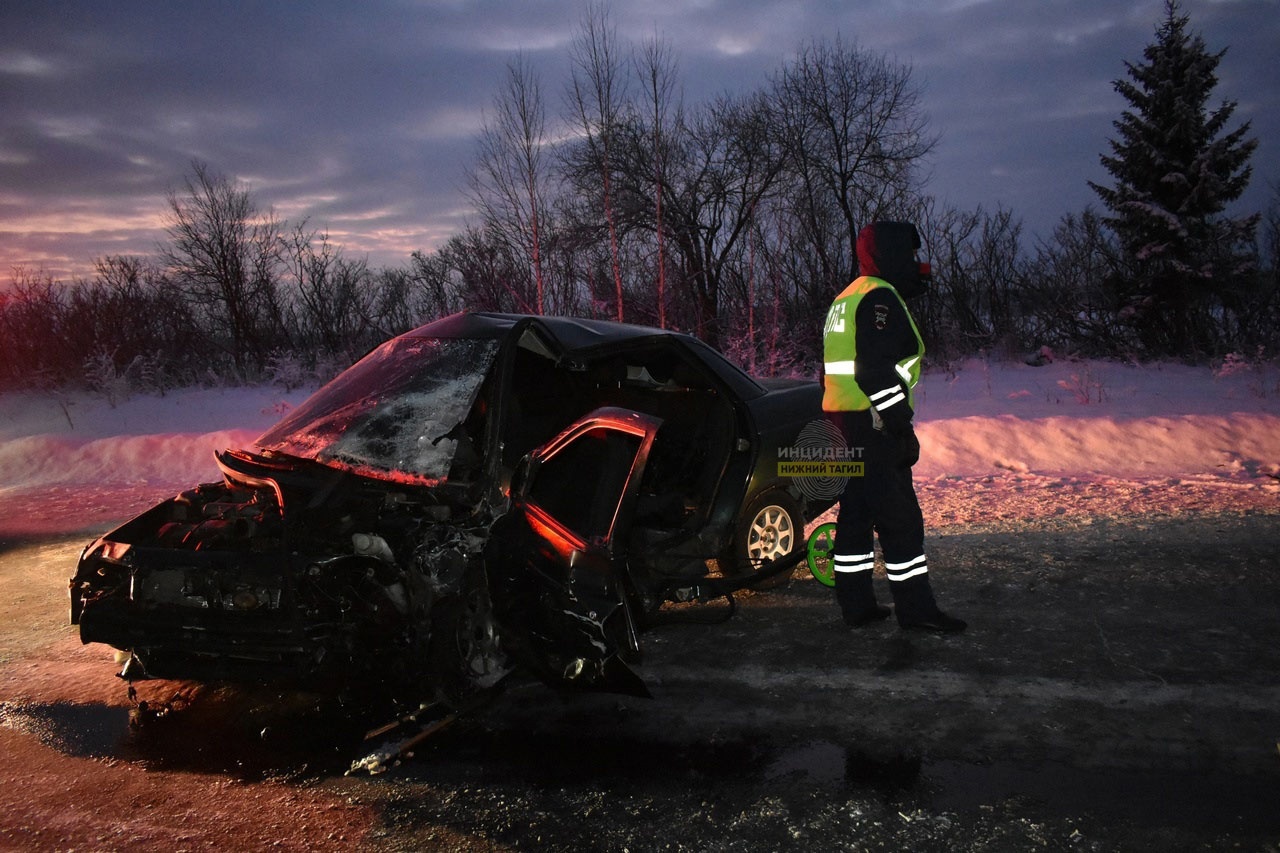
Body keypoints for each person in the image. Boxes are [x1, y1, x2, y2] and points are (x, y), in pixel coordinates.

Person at [821, 221, 966, 633]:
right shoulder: (879, 298)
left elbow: (835, 370)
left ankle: (857, 607)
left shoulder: (846, 298)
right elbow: (874, 371)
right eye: (910, 255)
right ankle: (917, 613)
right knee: (900, 520)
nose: (917, 265)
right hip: (873, 426)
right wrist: (899, 424)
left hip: (843, 423)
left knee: (856, 518)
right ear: (891, 256)